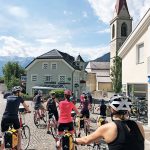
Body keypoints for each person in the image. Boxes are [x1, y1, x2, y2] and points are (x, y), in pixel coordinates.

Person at [73, 95, 145, 150]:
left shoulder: (109, 127)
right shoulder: (139, 125)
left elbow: (86, 140)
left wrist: (73, 139)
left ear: (112, 110)